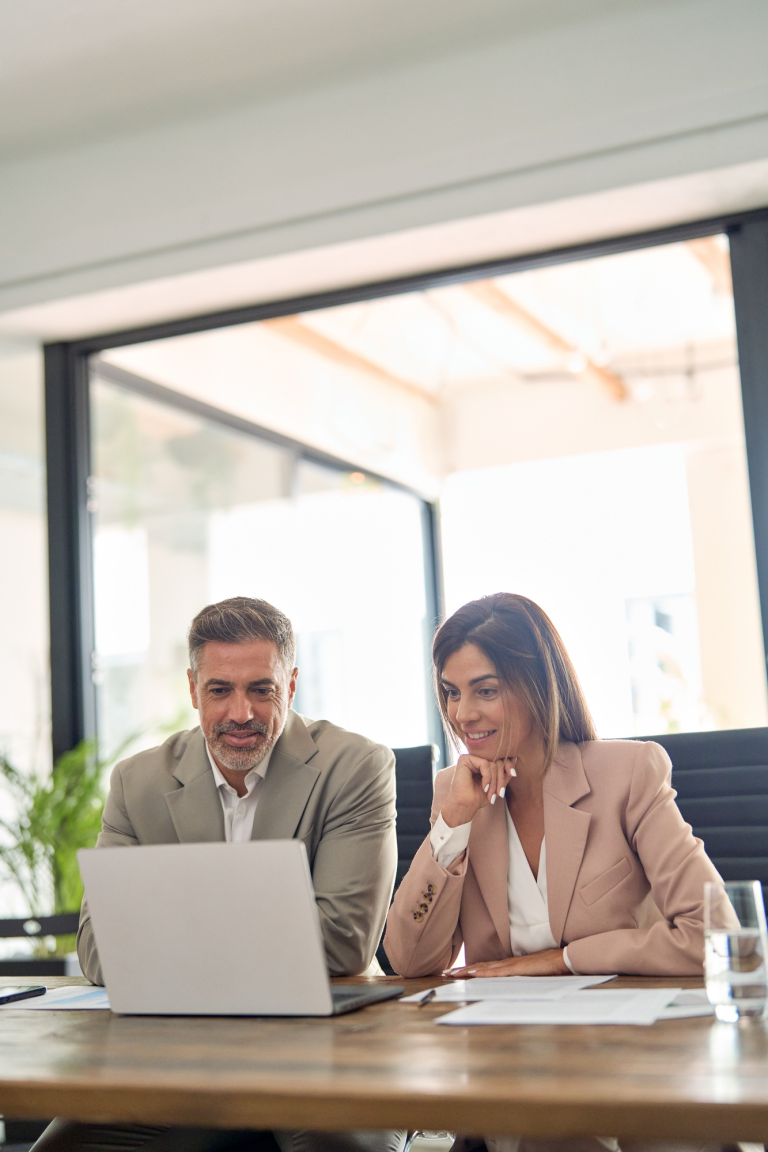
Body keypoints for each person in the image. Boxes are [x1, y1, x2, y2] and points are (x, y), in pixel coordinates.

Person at [36, 596, 403, 1152]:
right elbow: (99, 949)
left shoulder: (355, 767)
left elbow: (343, 943)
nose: (240, 713)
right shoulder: (137, 783)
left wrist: (172, 940)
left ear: (293, 684)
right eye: (219, 690)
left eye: (262, 689)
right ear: (192, 690)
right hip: (181, 1050)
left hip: (326, 1046)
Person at [385, 592, 722, 981]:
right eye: (452, 692)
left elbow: (714, 937)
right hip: (501, 1034)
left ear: (538, 686)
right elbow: (409, 961)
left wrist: (564, 959)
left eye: (486, 690)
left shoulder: (628, 775)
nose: (462, 714)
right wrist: (453, 821)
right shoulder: (455, 793)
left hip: (620, 1029)